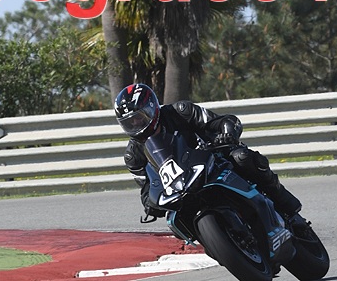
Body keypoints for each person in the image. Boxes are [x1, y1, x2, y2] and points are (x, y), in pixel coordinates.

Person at [115, 82, 313, 237]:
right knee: (174, 221)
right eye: (129, 122)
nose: (135, 124)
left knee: (242, 158)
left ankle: (286, 207)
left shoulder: (180, 111)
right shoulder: (133, 155)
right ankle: (219, 243)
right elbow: (146, 187)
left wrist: (226, 134)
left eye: (138, 118)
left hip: (212, 157)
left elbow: (223, 121)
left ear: (151, 109)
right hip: (181, 187)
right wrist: (150, 204)